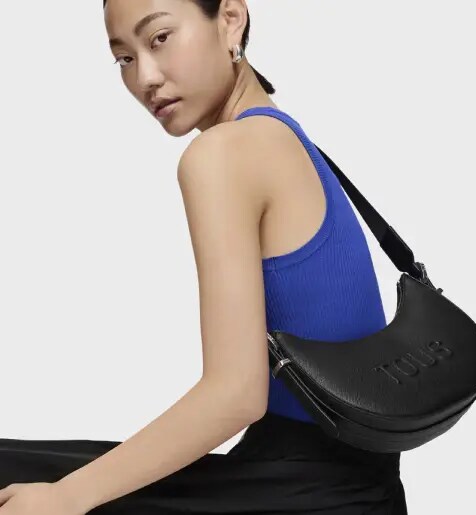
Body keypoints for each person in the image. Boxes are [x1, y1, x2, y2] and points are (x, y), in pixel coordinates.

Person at [0, 1, 408, 513]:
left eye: (160, 38)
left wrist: (67, 497)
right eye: (124, 58)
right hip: (358, 489)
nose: (145, 78)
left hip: (303, 493)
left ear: (230, 19)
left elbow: (236, 394)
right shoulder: (282, 133)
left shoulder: (223, 154)